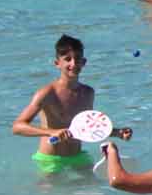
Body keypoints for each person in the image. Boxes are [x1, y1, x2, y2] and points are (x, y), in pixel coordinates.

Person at [12, 33, 127, 173]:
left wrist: (118, 132)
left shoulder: (88, 93)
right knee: (50, 193)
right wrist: (51, 132)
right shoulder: (47, 93)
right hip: (50, 159)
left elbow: (89, 128)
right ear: (57, 64)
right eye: (68, 59)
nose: (73, 64)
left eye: (77, 59)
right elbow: (17, 127)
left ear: (84, 62)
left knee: (93, 191)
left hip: (78, 156)